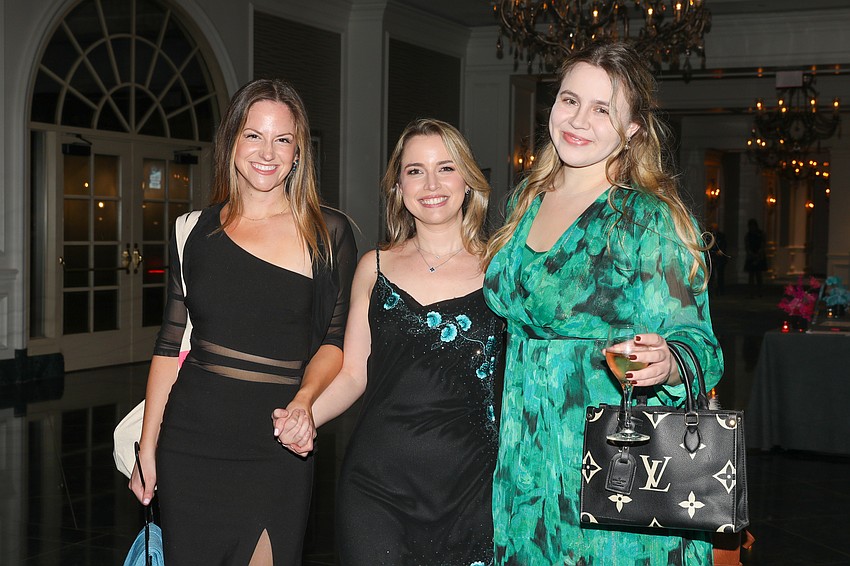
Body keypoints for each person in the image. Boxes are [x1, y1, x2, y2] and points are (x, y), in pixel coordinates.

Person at [482, 42, 724, 565]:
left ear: (632, 129)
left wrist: (669, 361)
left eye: (602, 110)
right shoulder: (523, 201)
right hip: (525, 461)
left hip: (614, 462)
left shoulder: (648, 219)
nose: (578, 121)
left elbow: (700, 345)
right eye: (569, 100)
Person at [129, 78, 357, 565]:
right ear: (231, 141)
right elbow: (170, 346)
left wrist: (304, 400)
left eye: (283, 139)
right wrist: (146, 446)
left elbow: (333, 343)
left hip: (276, 444)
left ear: (299, 152)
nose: (267, 153)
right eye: (253, 135)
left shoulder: (328, 232)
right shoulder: (193, 232)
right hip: (191, 439)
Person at [276, 118, 503, 565]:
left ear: (469, 181)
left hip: (474, 489)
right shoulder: (373, 267)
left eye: (446, 167)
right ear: (399, 186)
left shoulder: (502, 269)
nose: (431, 183)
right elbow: (354, 373)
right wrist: (305, 417)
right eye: (415, 170)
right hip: (376, 486)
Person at [744, 218, 767, 297]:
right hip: (751, 256)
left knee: (759, 275)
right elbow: (747, 246)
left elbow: (763, 245)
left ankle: (760, 291)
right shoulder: (748, 235)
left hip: (759, 256)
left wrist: (758, 254)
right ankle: (751, 292)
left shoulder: (760, 234)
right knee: (751, 275)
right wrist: (752, 255)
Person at [708, 223, 729, 296]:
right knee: (711, 276)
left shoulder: (721, 236)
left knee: (720, 276)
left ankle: (721, 291)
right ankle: (711, 291)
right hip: (711, 257)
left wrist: (719, 251)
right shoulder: (708, 236)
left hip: (720, 259)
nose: (713, 229)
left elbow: (723, 245)